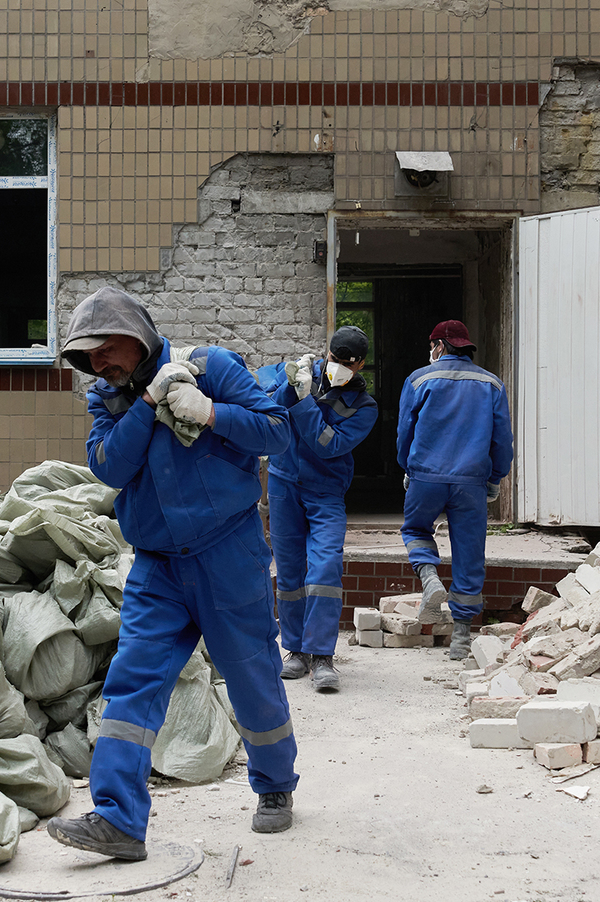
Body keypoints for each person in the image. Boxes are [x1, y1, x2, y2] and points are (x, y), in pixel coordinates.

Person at [47, 287, 301, 859]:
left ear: (139, 337)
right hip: (157, 567)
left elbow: (277, 433)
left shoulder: (211, 367)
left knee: (251, 675)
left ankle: (276, 786)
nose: (100, 363)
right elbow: (109, 466)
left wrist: (209, 412)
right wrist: (144, 407)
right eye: (90, 356)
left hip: (228, 554)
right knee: (132, 680)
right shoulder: (106, 401)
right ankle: (118, 819)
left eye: (109, 349)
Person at [257, 326, 378, 692]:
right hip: (283, 483)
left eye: (347, 363)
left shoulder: (364, 406)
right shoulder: (296, 371)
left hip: (325, 492)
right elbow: (263, 404)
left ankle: (322, 655)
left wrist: (303, 401)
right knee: (290, 570)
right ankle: (295, 651)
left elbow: (329, 444)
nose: (338, 366)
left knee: (324, 567)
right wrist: (290, 385)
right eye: (334, 358)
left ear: (359, 365)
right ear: (326, 353)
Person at [396, 319, 512, 659]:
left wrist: (408, 467)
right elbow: (501, 440)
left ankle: (429, 576)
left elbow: (405, 431)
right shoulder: (492, 384)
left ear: (440, 347)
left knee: (416, 529)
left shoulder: (419, 379)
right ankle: (461, 637)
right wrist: (496, 478)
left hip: (426, 477)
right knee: (469, 553)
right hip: (471, 482)